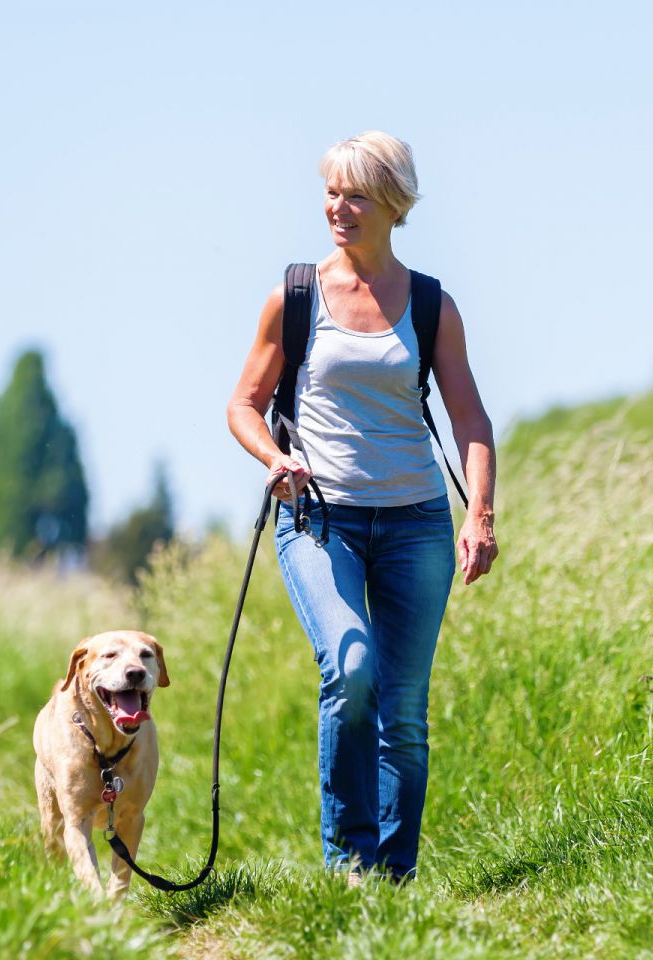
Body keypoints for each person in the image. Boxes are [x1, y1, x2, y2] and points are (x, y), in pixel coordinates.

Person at [226, 131, 498, 882]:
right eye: (330, 191)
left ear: (392, 203)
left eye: (354, 194)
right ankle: (347, 865)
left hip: (416, 523)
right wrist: (275, 458)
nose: (336, 207)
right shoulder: (297, 294)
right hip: (321, 520)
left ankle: (392, 880)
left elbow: (471, 420)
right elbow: (244, 405)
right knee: (350, 669)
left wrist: (480, 513)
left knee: (403, 715)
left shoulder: (433, 304)